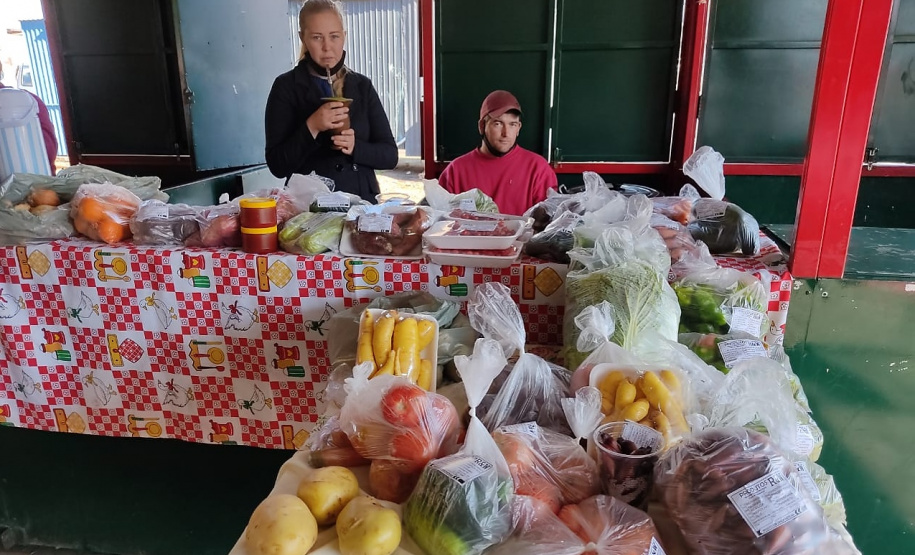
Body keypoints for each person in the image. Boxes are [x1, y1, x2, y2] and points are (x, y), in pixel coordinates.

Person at [265, 0, 398, 203]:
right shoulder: (286, 86)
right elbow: (277, 165)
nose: (327, 47)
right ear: (303, 38)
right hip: (310, 208)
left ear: (344, 36)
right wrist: (312, 126)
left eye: (334, 36)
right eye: (317, 37)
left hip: (361, 205)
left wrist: (355, 147)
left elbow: (390, 156)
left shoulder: (362, 86)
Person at [438, 90, 556, 216]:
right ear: (482, 126)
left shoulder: (538, 169)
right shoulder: (455, 171)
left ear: (518, 128)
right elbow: (441, 220)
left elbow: (549, 221)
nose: (506, 133)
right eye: (498, 123)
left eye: (512, 124)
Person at [0, 60, 58, 175]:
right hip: (40, 181)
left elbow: (47, 150)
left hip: (34, 183)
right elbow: (49, 150)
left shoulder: (24, 101)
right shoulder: (27, 99)